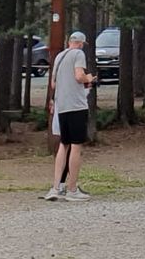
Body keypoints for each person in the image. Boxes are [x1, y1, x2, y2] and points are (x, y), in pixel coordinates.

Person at [44, 30, 97, 202]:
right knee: (76, 146)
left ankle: (56, 187)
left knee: (63, 145)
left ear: (69, 42)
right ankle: (72, 189)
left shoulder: (59, 57)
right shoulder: (78, 54)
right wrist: (88, 78)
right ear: (81, 44)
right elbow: (79, 76)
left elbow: (53, 83)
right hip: (76, 105)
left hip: (62, 106)